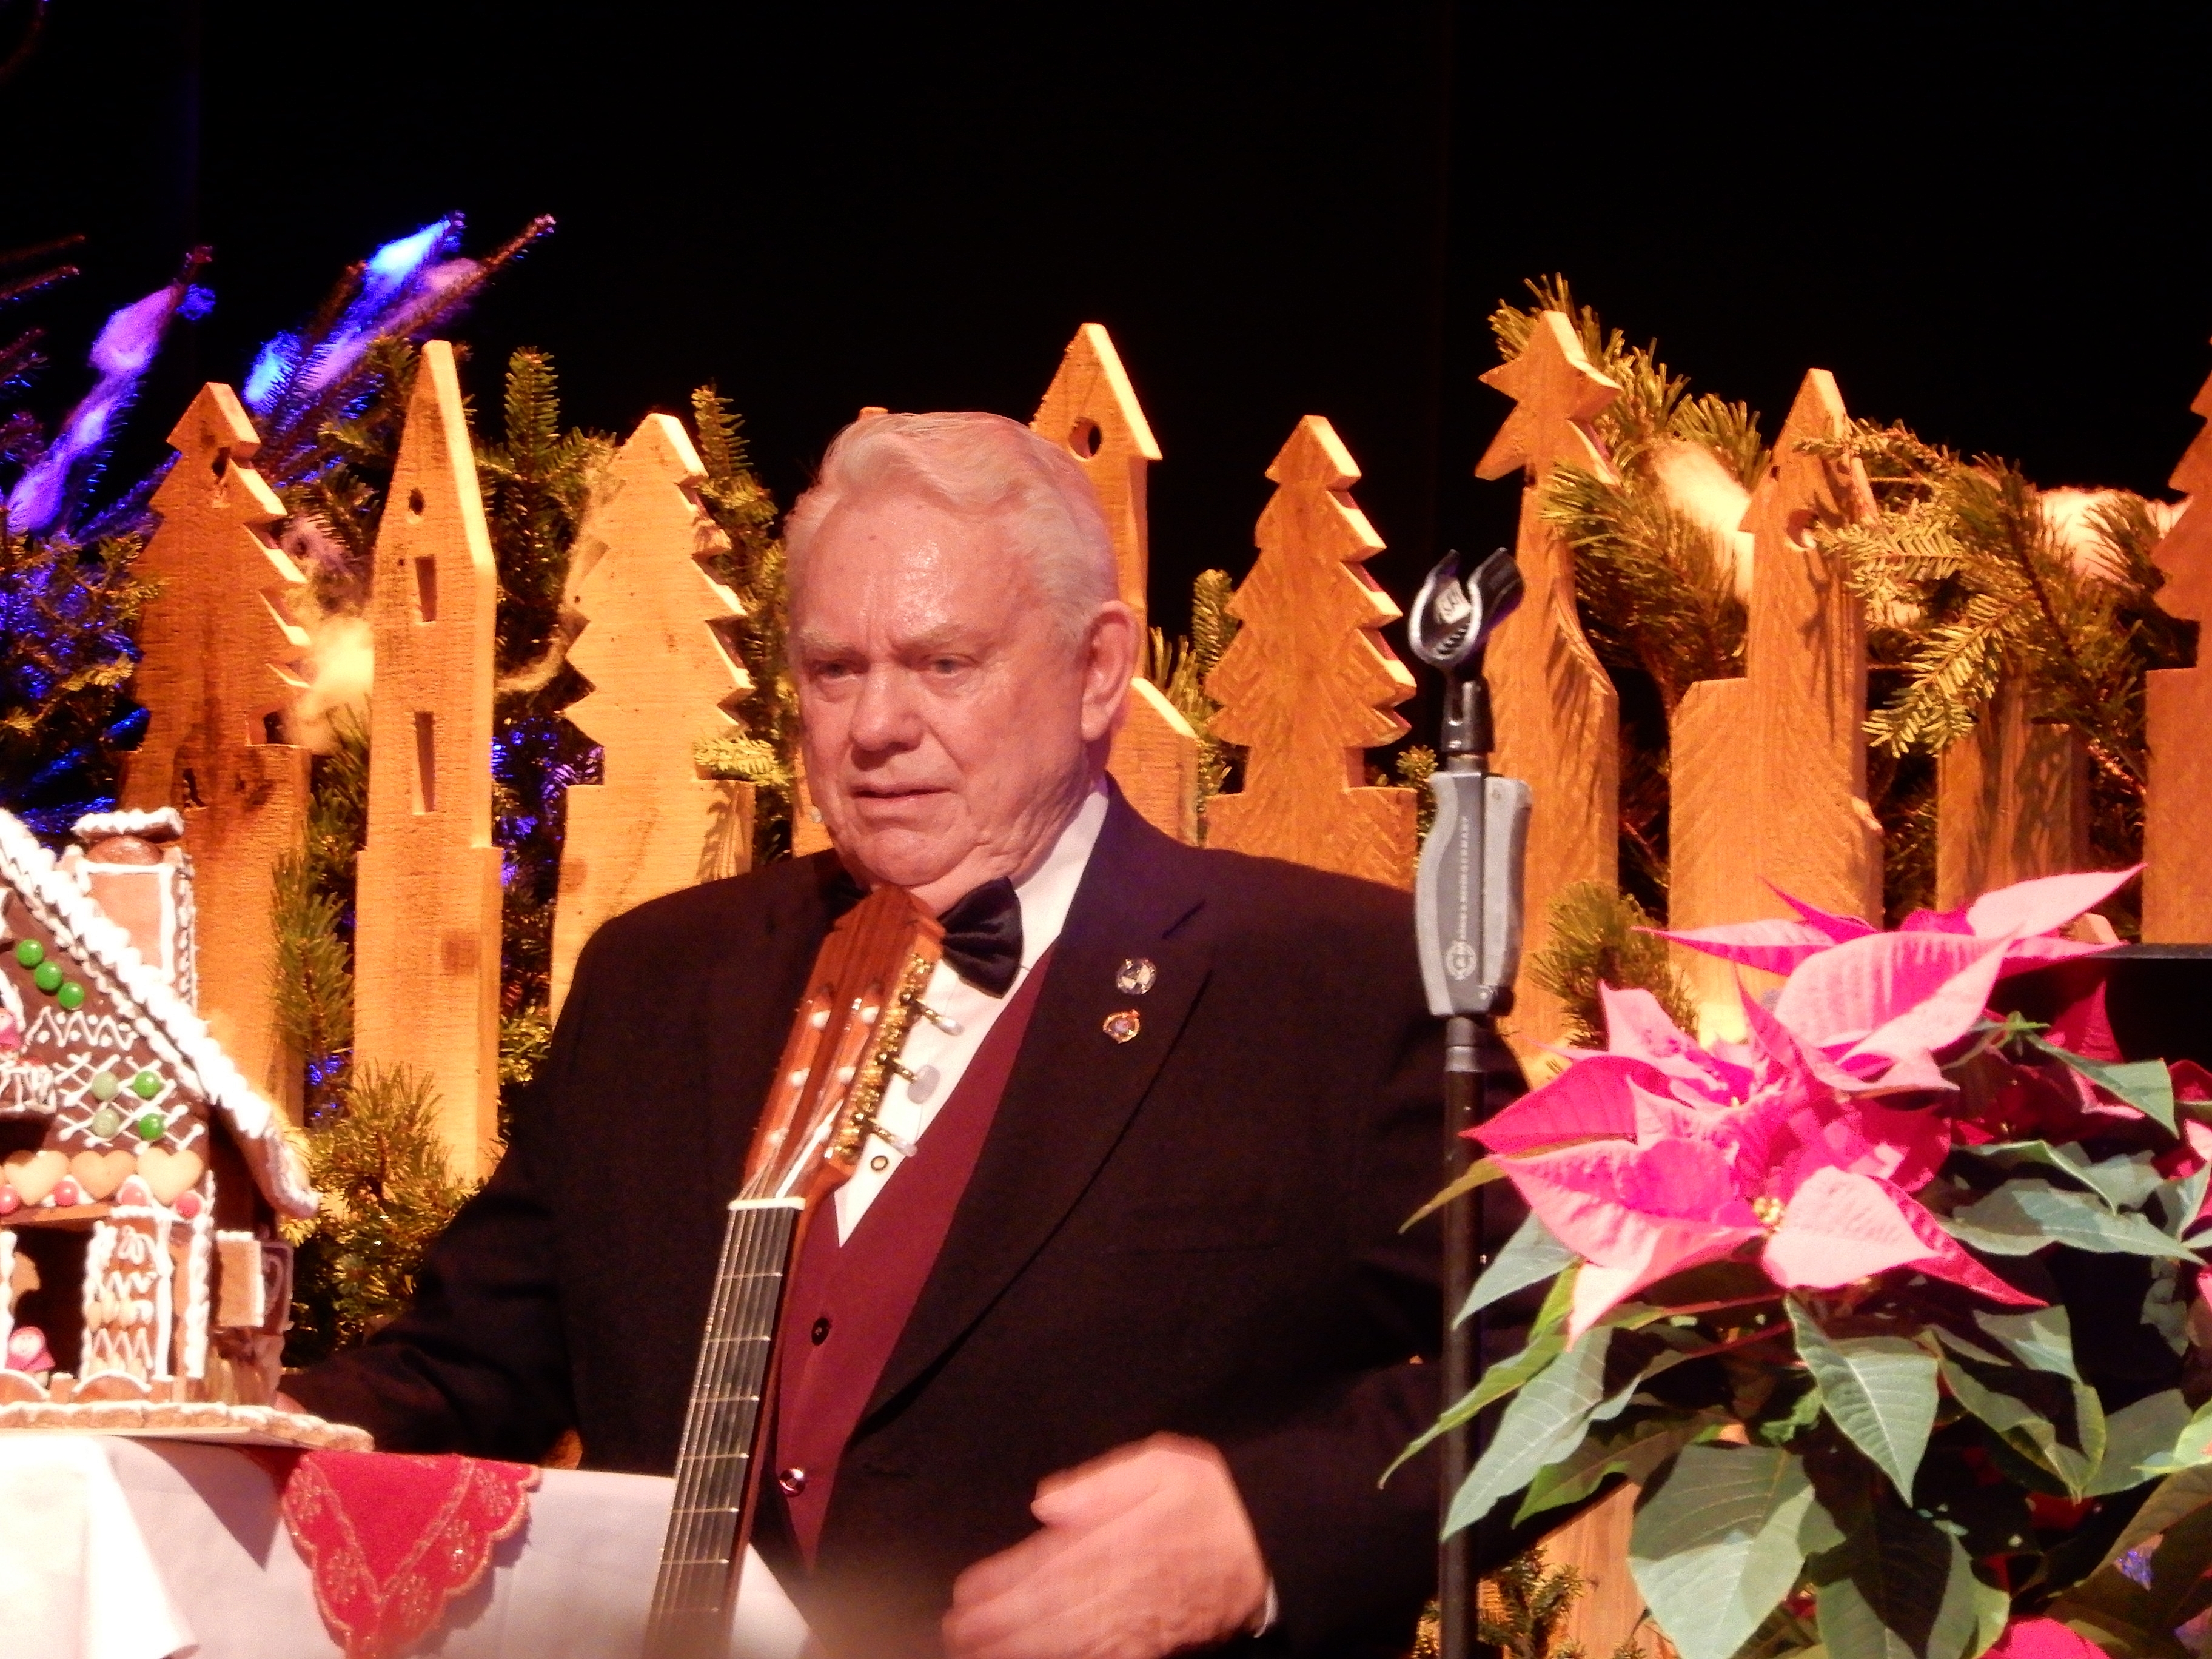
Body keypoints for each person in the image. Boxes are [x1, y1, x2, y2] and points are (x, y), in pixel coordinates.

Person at [290, 411, 1497, 1658]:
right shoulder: (659, 980)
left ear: (1098, 670)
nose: (875, 727)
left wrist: (1266, 1533)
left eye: (944, 664)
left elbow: (1582, 1349)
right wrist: (213, 1443)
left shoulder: (1333, 985)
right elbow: (468, 1370)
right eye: (834, 670)